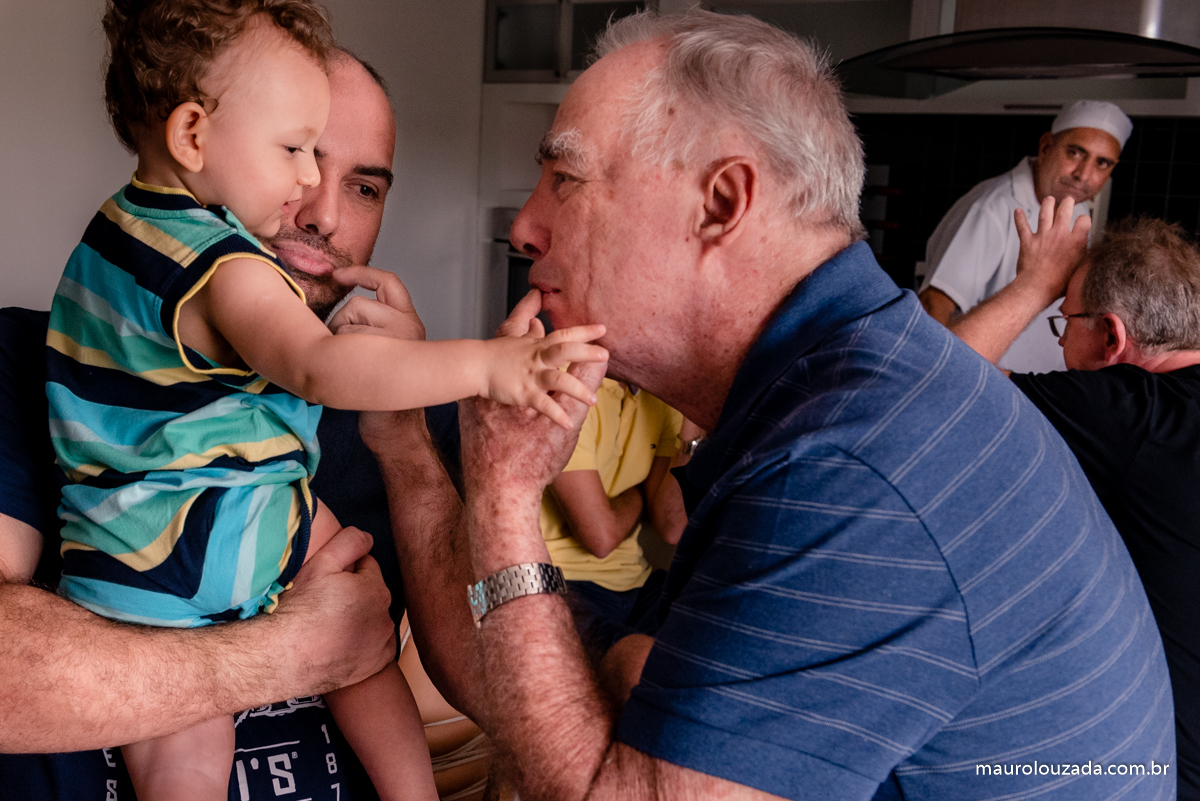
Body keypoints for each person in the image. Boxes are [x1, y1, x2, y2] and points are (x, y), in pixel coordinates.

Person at [353, 10, 1174, 801]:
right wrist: (404, 446)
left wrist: (502, 496)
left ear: (720, 204)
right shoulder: (839, 386)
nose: (526, 227)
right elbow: (519, 687)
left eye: (565, 178)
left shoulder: (848, 465)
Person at [0, 42, 447, 801]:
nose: (322, 212)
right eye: (293, 155)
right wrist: (287, 652)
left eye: (363, 186)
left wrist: (407, 441)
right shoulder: (31, 362)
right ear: (201, 147)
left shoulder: (395, 425)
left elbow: (479, 684)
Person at [949, 203, 1200, 800]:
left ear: (1111, 335)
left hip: (1154, 771)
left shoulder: (1132, 416)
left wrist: (1035, 283)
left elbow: (933, 377)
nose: (1061, 345)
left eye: (1066, 324)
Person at [918, 99, 1132, 373]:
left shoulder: (1076, 210)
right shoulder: (994, 207)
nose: (1084, 175)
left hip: (1041, 387)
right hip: (990, 381)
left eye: (1102, 163)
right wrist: (932, 377)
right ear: (1046, 146)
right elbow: (933, 304)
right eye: (1075, 153)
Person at [540, 377, 687, 659]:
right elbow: (600, 538)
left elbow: (672, 526)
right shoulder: (566, 384)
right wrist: (642, 496)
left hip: (636, 581)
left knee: (722, 632)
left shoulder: (659, 398)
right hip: (561, 582)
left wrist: (691, 431)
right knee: (643, 667)